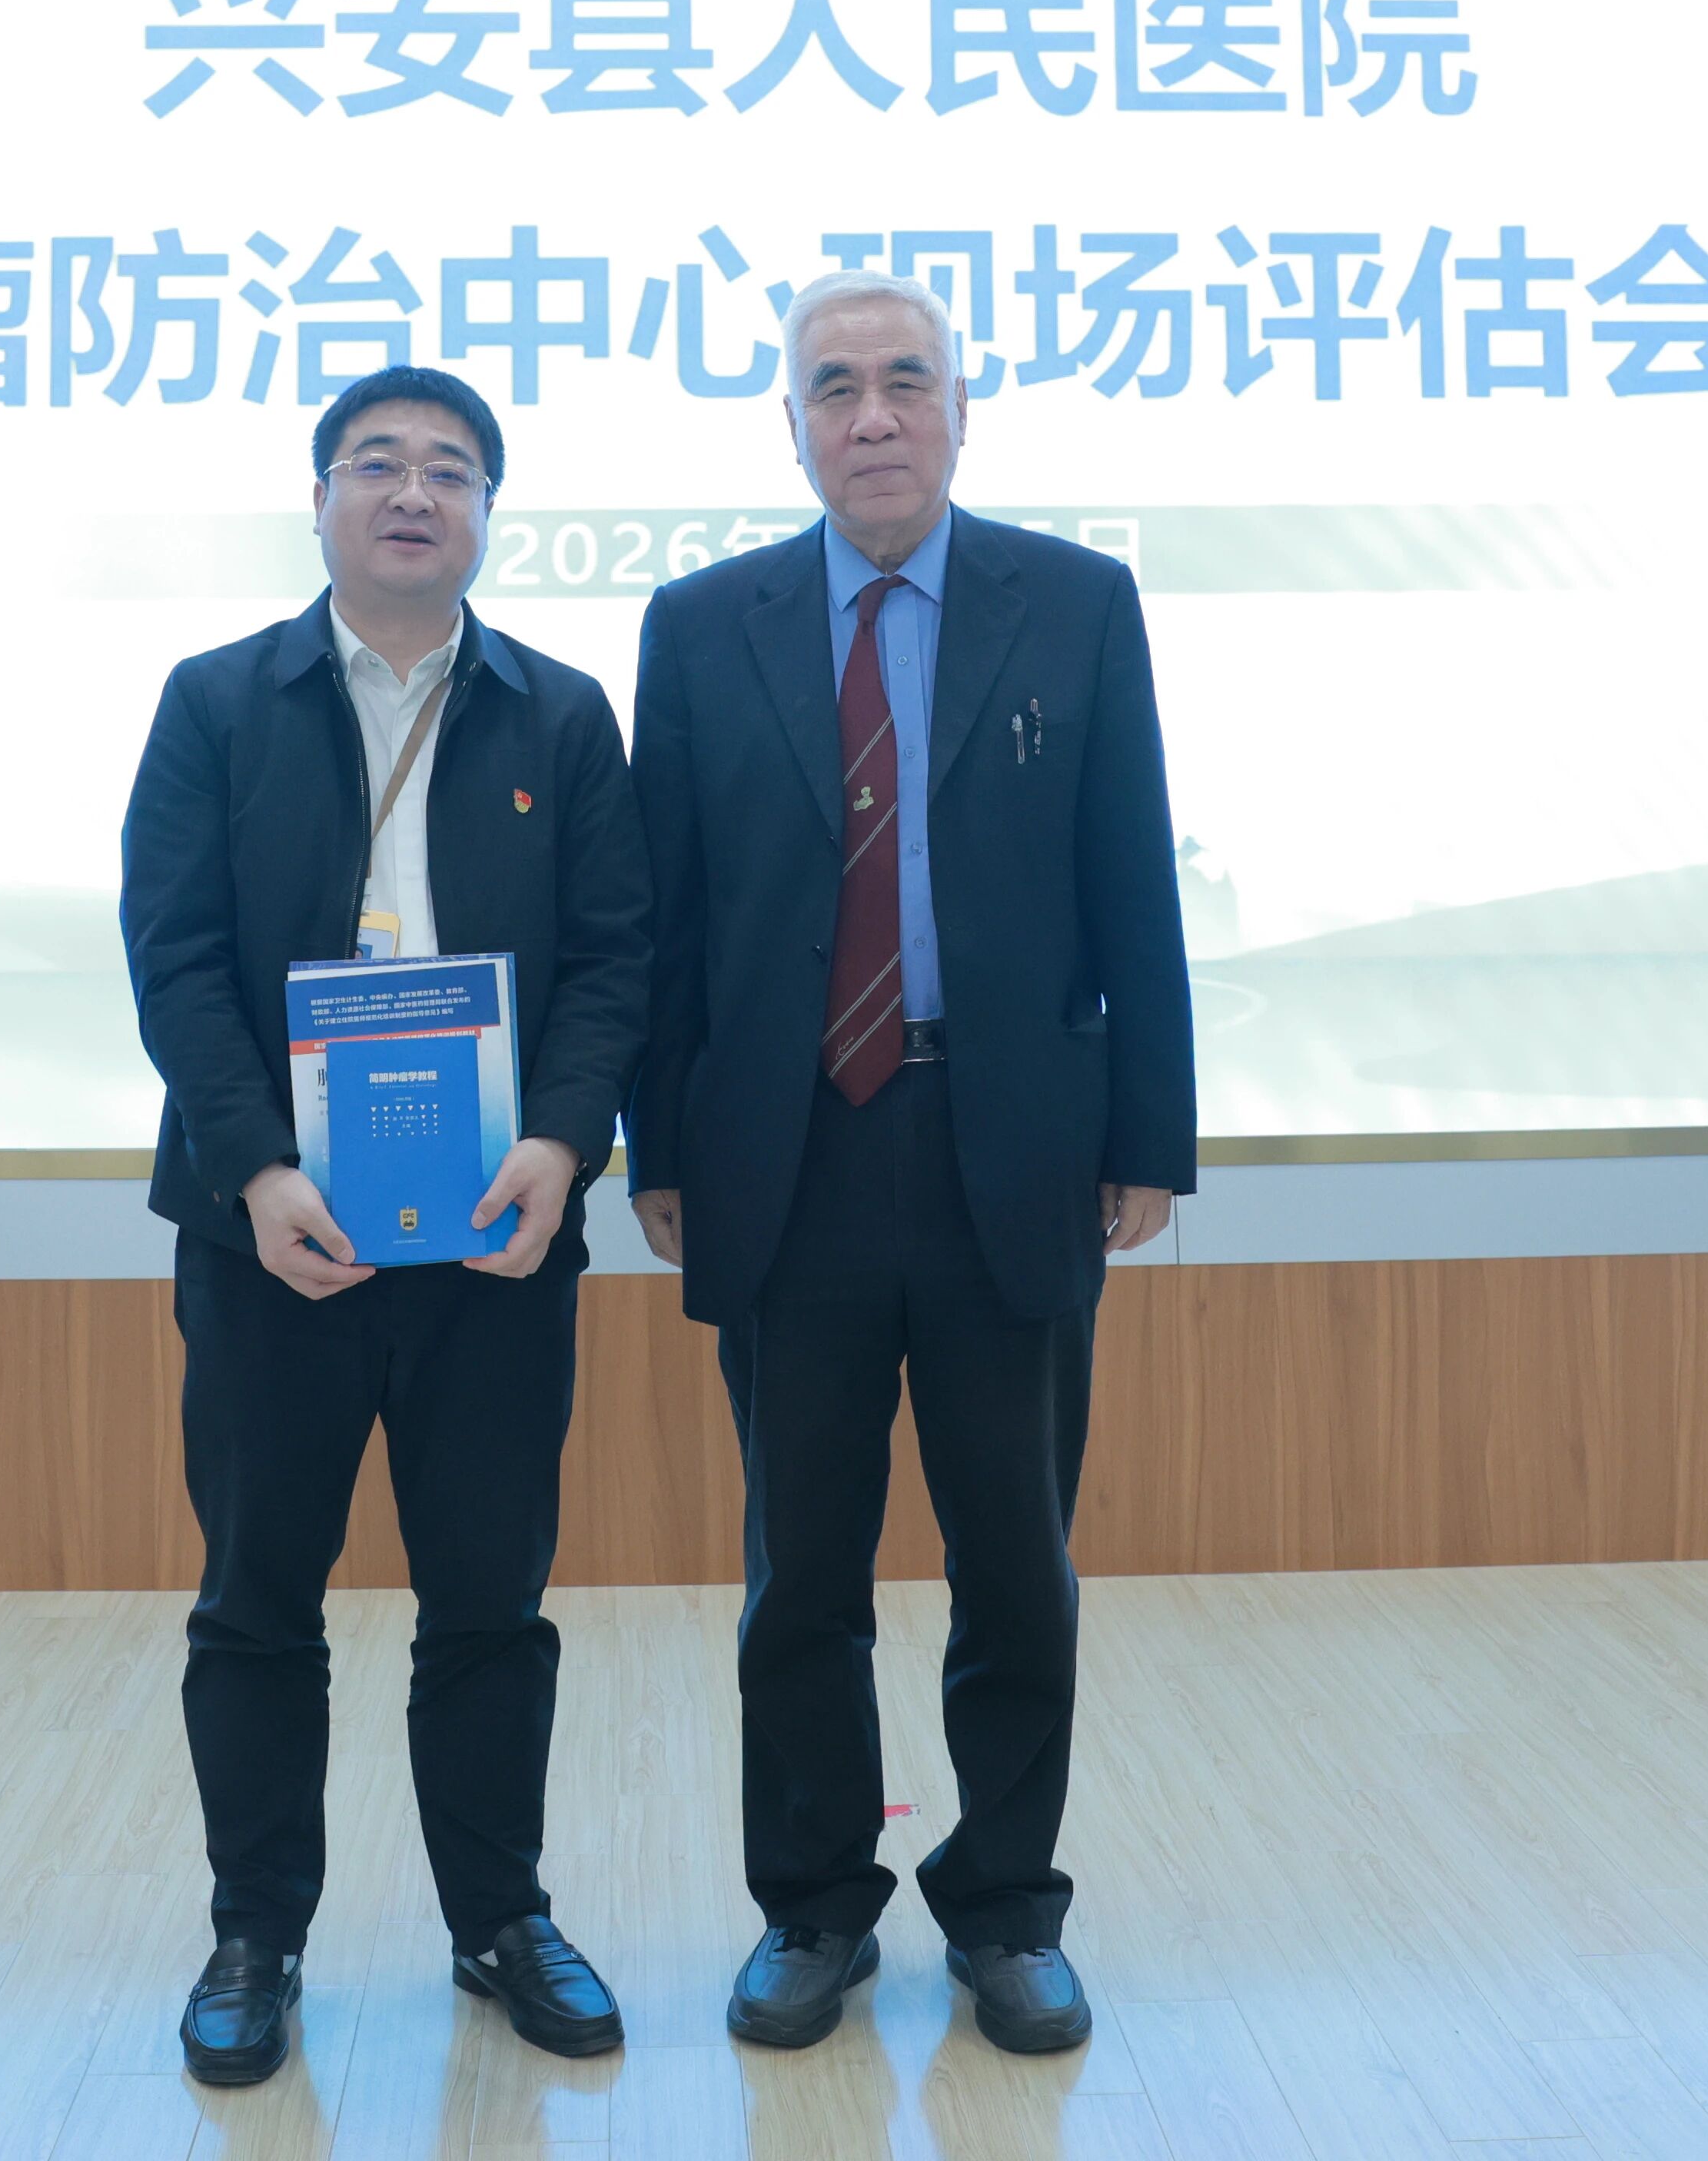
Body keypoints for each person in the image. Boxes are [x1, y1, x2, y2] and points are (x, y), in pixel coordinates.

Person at [625, 271, 1195, 2059]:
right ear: (791, 422)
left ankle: (1008, 1908)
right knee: (801, 1567)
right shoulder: (701, 623)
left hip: (1006, 1144)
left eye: (904, 380)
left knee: (1015, 1557)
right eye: (833, 385)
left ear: (962, 405)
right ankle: (813, 1905)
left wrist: (1150, 1133)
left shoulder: (1074, 601)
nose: (870, 413)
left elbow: (1132, 876)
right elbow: (666, 913)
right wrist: (659, 1139)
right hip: (785, 1150)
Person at [119, 362, 651, 2086]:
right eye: (376, 463)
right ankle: (255, 1933)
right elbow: (174, 957)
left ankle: (500, 1918)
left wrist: (564, 1141)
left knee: (489, 1598)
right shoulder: (219, 701)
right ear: (322, 499)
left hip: (493, 1233)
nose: (412, 491)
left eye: (448, 469)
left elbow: (618, 958)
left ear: (489, 510)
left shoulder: (560, 715)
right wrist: (256, 1166)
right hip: (273, 1233)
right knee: (257, 1597)